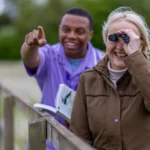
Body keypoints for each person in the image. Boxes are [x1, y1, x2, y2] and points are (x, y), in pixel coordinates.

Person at [21, 7, 104, 150]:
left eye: (79, 31)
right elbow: (30, 59)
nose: (71, 36)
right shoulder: (49, 54)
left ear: (90, 35)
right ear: (60, 29)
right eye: (66, 30)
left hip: (85, 144)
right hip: (46, 143)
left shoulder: (102, 62)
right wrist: (30, 46)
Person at [70, 6, 150, 150]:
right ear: (106, 41)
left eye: (127, 39)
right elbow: (79, 136)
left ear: (141, 43)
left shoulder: (146, 76)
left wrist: (135, 56)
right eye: (113, 38)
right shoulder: (89, 80)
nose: (120, 47)